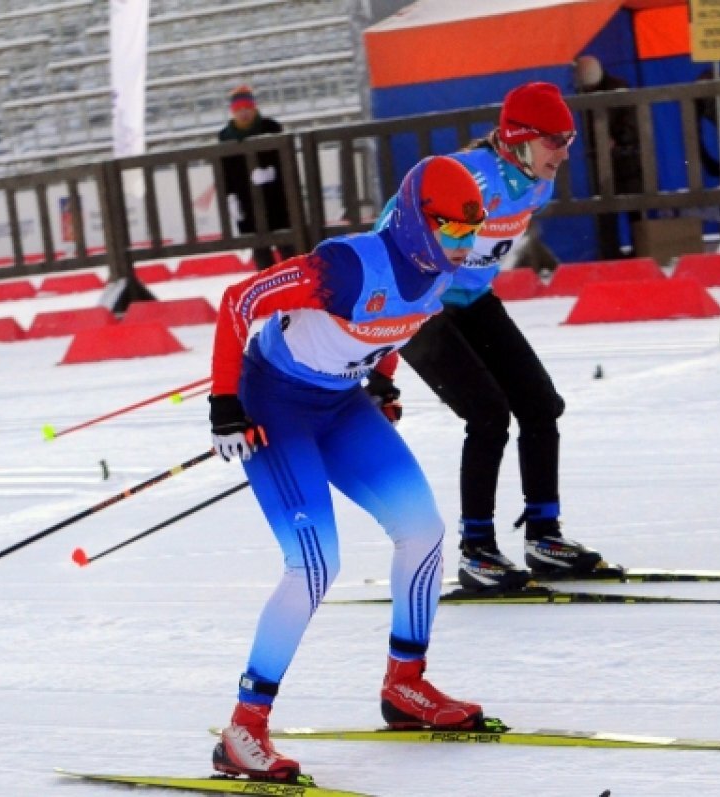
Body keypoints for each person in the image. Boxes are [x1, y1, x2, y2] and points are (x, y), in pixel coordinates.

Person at [208, 155, 490, 782]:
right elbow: (241, 298)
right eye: (453, 233)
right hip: (275, 404)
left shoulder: (437, 272)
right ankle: (242, 730)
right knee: (314, 564)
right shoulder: (346, 265)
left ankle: (405, 687)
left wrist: (384, 385)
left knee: (422, 529)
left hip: (341, 404)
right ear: (420, 223)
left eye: (473, 234)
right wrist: (225, 402)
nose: (465, 246)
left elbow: (395, 330)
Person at [381, 82, 613, 593]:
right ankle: (477, 551)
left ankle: (544, 537)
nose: (565, 152)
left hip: (469, 300)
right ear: (519, 140)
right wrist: (379, 360)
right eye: (555, 140)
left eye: (569, 140)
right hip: (422, 306)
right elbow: (388, 236)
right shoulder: (468, 177)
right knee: (488, 414)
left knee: (540, 405)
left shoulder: (536, 183)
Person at [218, 85, 296, 269]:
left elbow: (284, 158)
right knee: (260, 250)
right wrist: (229, 197)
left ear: (254, 108)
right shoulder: (225, 136)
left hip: (276, 200)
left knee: (287, 247)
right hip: (247, 204)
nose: (244, 113)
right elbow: (225, 171)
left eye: (247, 108)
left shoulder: (271, 127)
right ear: (233, 112)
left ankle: (296, 285)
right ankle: (268, 291)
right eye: (239, 109)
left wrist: (272, 173)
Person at [574, 55, 642, 260]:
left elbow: (632, 122)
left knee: (633, 208)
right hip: (601, 161)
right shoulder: (584, 92)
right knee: (606, 213)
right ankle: (611, 253)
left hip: (624, 158)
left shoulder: (618, 89)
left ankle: (638, 249)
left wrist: (617, 139)